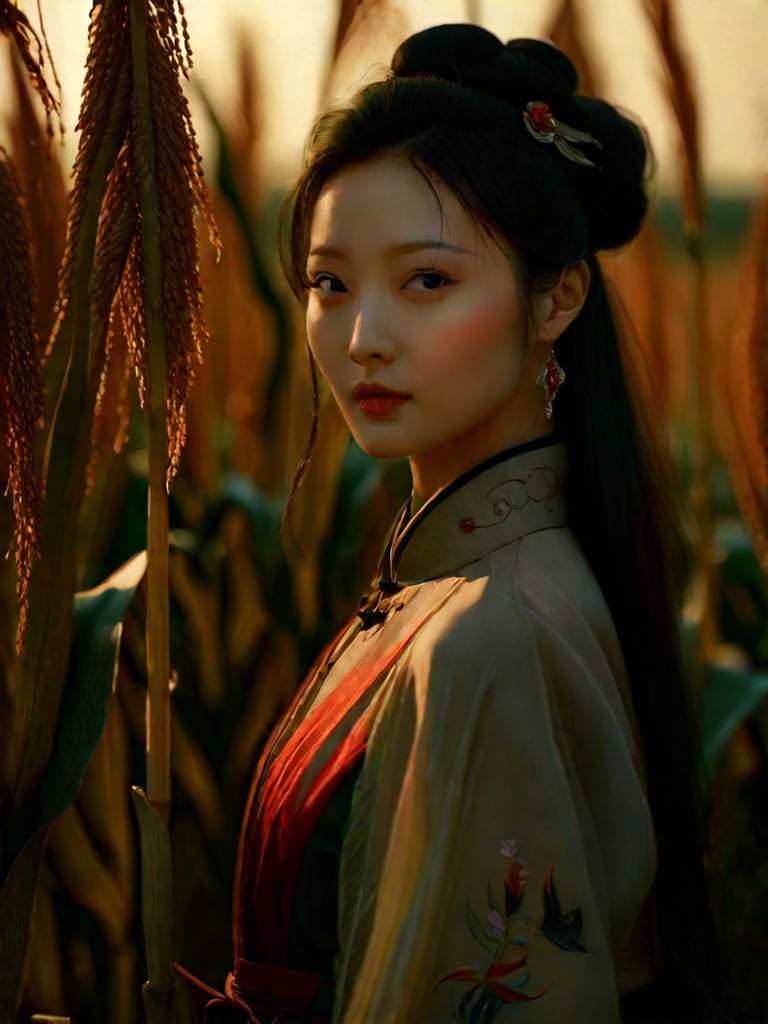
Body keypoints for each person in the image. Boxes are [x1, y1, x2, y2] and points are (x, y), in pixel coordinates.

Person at [181, 23, 735, 1024]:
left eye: (425, 281)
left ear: (560, 294)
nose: (362, 337)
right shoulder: (461, 590)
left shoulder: (490, 632)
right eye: (328, 284)